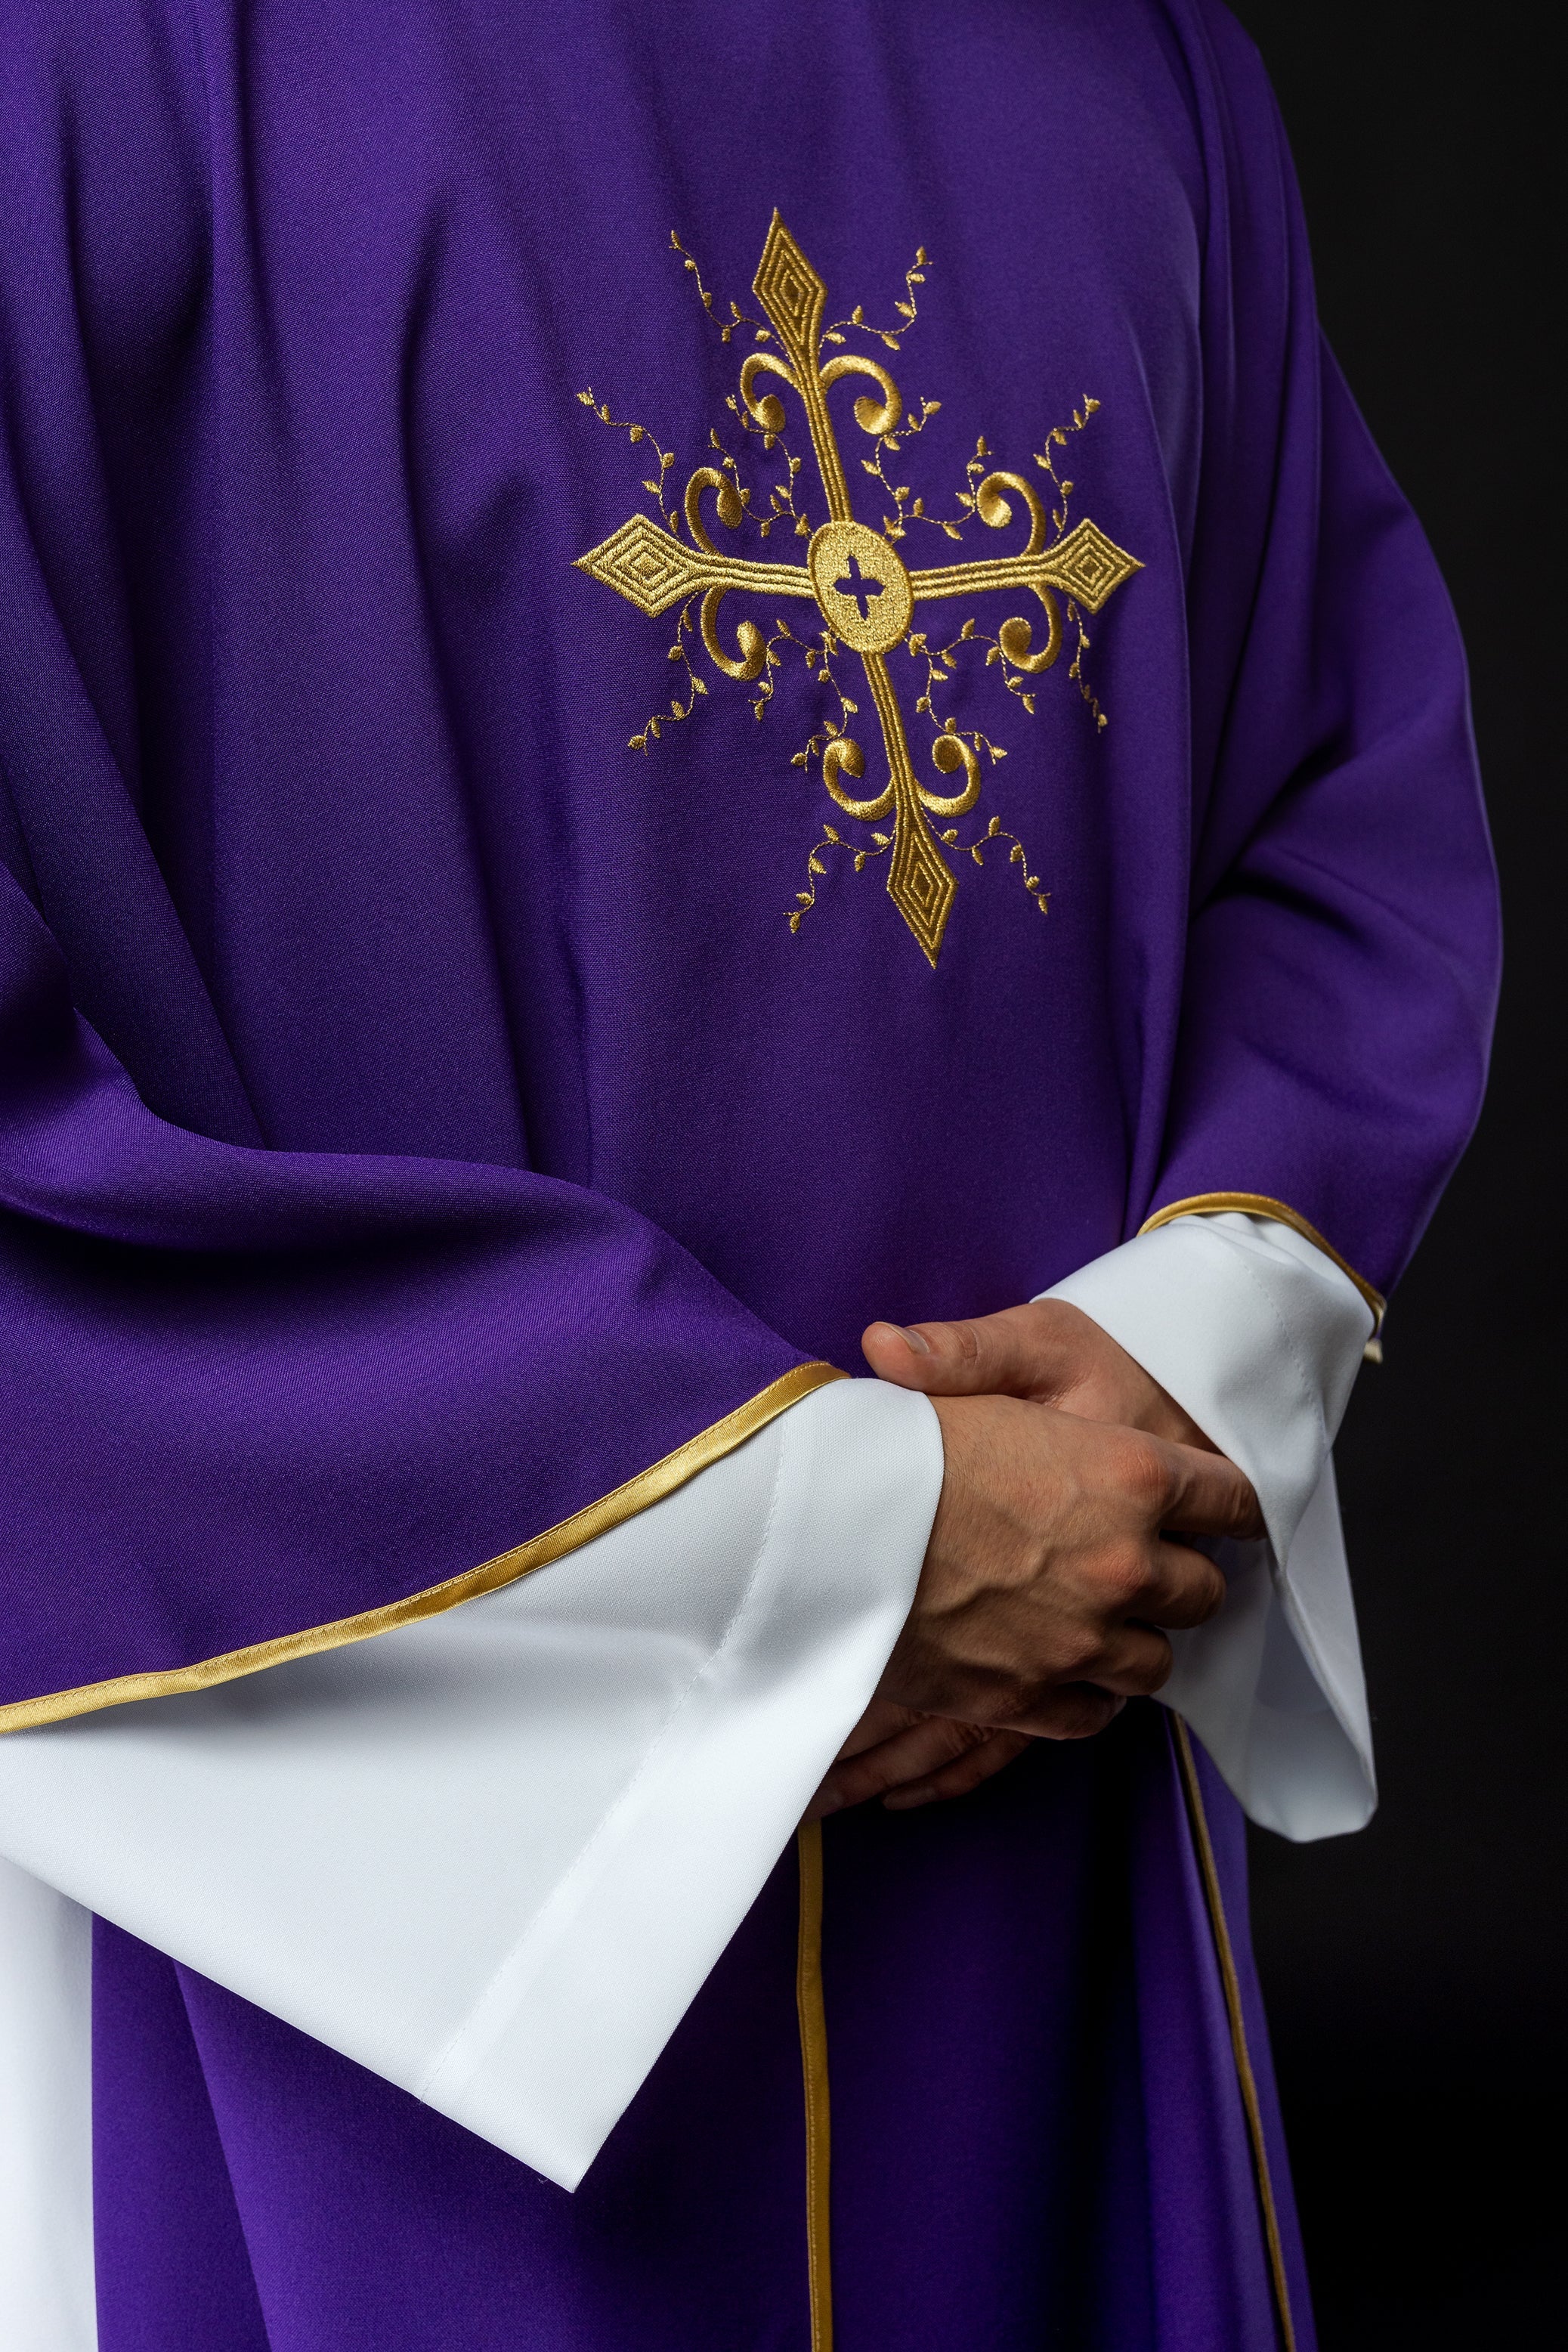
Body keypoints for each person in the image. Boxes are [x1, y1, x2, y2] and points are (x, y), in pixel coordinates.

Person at [0, 2, 1498, 2346]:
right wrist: (796, 1561)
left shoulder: (1128, 47)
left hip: (1063, 1780)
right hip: (342, 1895)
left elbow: (1339, 770)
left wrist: (1181, 1362)